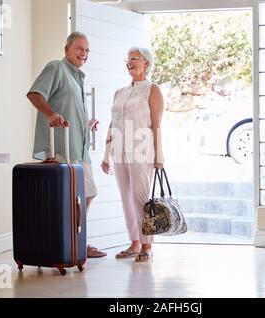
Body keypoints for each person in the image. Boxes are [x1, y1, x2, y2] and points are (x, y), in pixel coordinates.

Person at [27, 31, 107, 258]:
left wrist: (87, 123)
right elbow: (34, 94)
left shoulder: (78, 77)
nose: (84, 53)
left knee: (87, 193)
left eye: (87, 50)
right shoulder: (57, 68)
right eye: (80, 48)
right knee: (68, 198)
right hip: (61, 148)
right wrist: (51, 115)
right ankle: (69, 243)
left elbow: (70, 109)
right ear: (67, 50)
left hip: (79, 150)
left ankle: (77, 239)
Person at [101, 47, 164, 262]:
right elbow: (112, 124)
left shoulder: (152, 89)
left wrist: (159, 156)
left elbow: (156, 124)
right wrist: (105, 154)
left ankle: (147, 244)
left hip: (142, 149)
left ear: (146, 63)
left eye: (134, 59)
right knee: (126, 198)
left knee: (140, 197)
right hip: (119, 150)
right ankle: (134, 243)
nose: (129, 63)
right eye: (127, 59)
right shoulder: (119, 92)